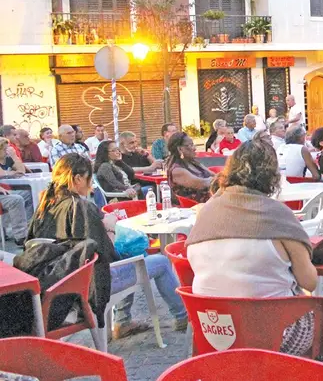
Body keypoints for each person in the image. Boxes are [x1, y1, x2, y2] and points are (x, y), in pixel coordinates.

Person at [186, 140, 323, 356]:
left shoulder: (205, 212)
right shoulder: (278, 215)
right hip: (272, 334)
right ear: (272, 175)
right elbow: (309, 281)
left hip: (215, 334)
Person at [27, 153, 187, 339]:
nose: (91, 185)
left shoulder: (44, 206)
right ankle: (183, 316)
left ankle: (123, 321)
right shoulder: (81, 208)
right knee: (158, 261)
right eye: (89, 179)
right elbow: (104, 254)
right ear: (78, 178)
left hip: (58, 284)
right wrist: (110, 231)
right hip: (92, 285)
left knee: (131, 256)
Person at [166, 132, 216, 204]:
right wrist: (220, 178)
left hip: (210, 202)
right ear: (180, 149)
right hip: (194, 208)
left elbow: (214, 175)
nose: (195, 148)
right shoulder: (177, 170)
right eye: (191, 145)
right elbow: (202, 183)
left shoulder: (193, 163)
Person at [0, 137, 30, 244]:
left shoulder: (8, 159)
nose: (7, 150)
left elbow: (21, 171)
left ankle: (28, 228)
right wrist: (10, 173)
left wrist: (14, 156)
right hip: (2, 193)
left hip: (6, 191)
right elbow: (2, 174)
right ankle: (20, 236)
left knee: (27, 194)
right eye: (4, 149)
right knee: (16, 200)